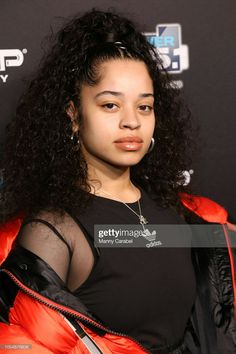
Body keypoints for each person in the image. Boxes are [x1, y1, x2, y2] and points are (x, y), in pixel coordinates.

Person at [0, 9, 235, 354]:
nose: (131, 122)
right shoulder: (55, 231)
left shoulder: (182, 213)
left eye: (144, 107)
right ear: (74, 116)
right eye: (110, 105)